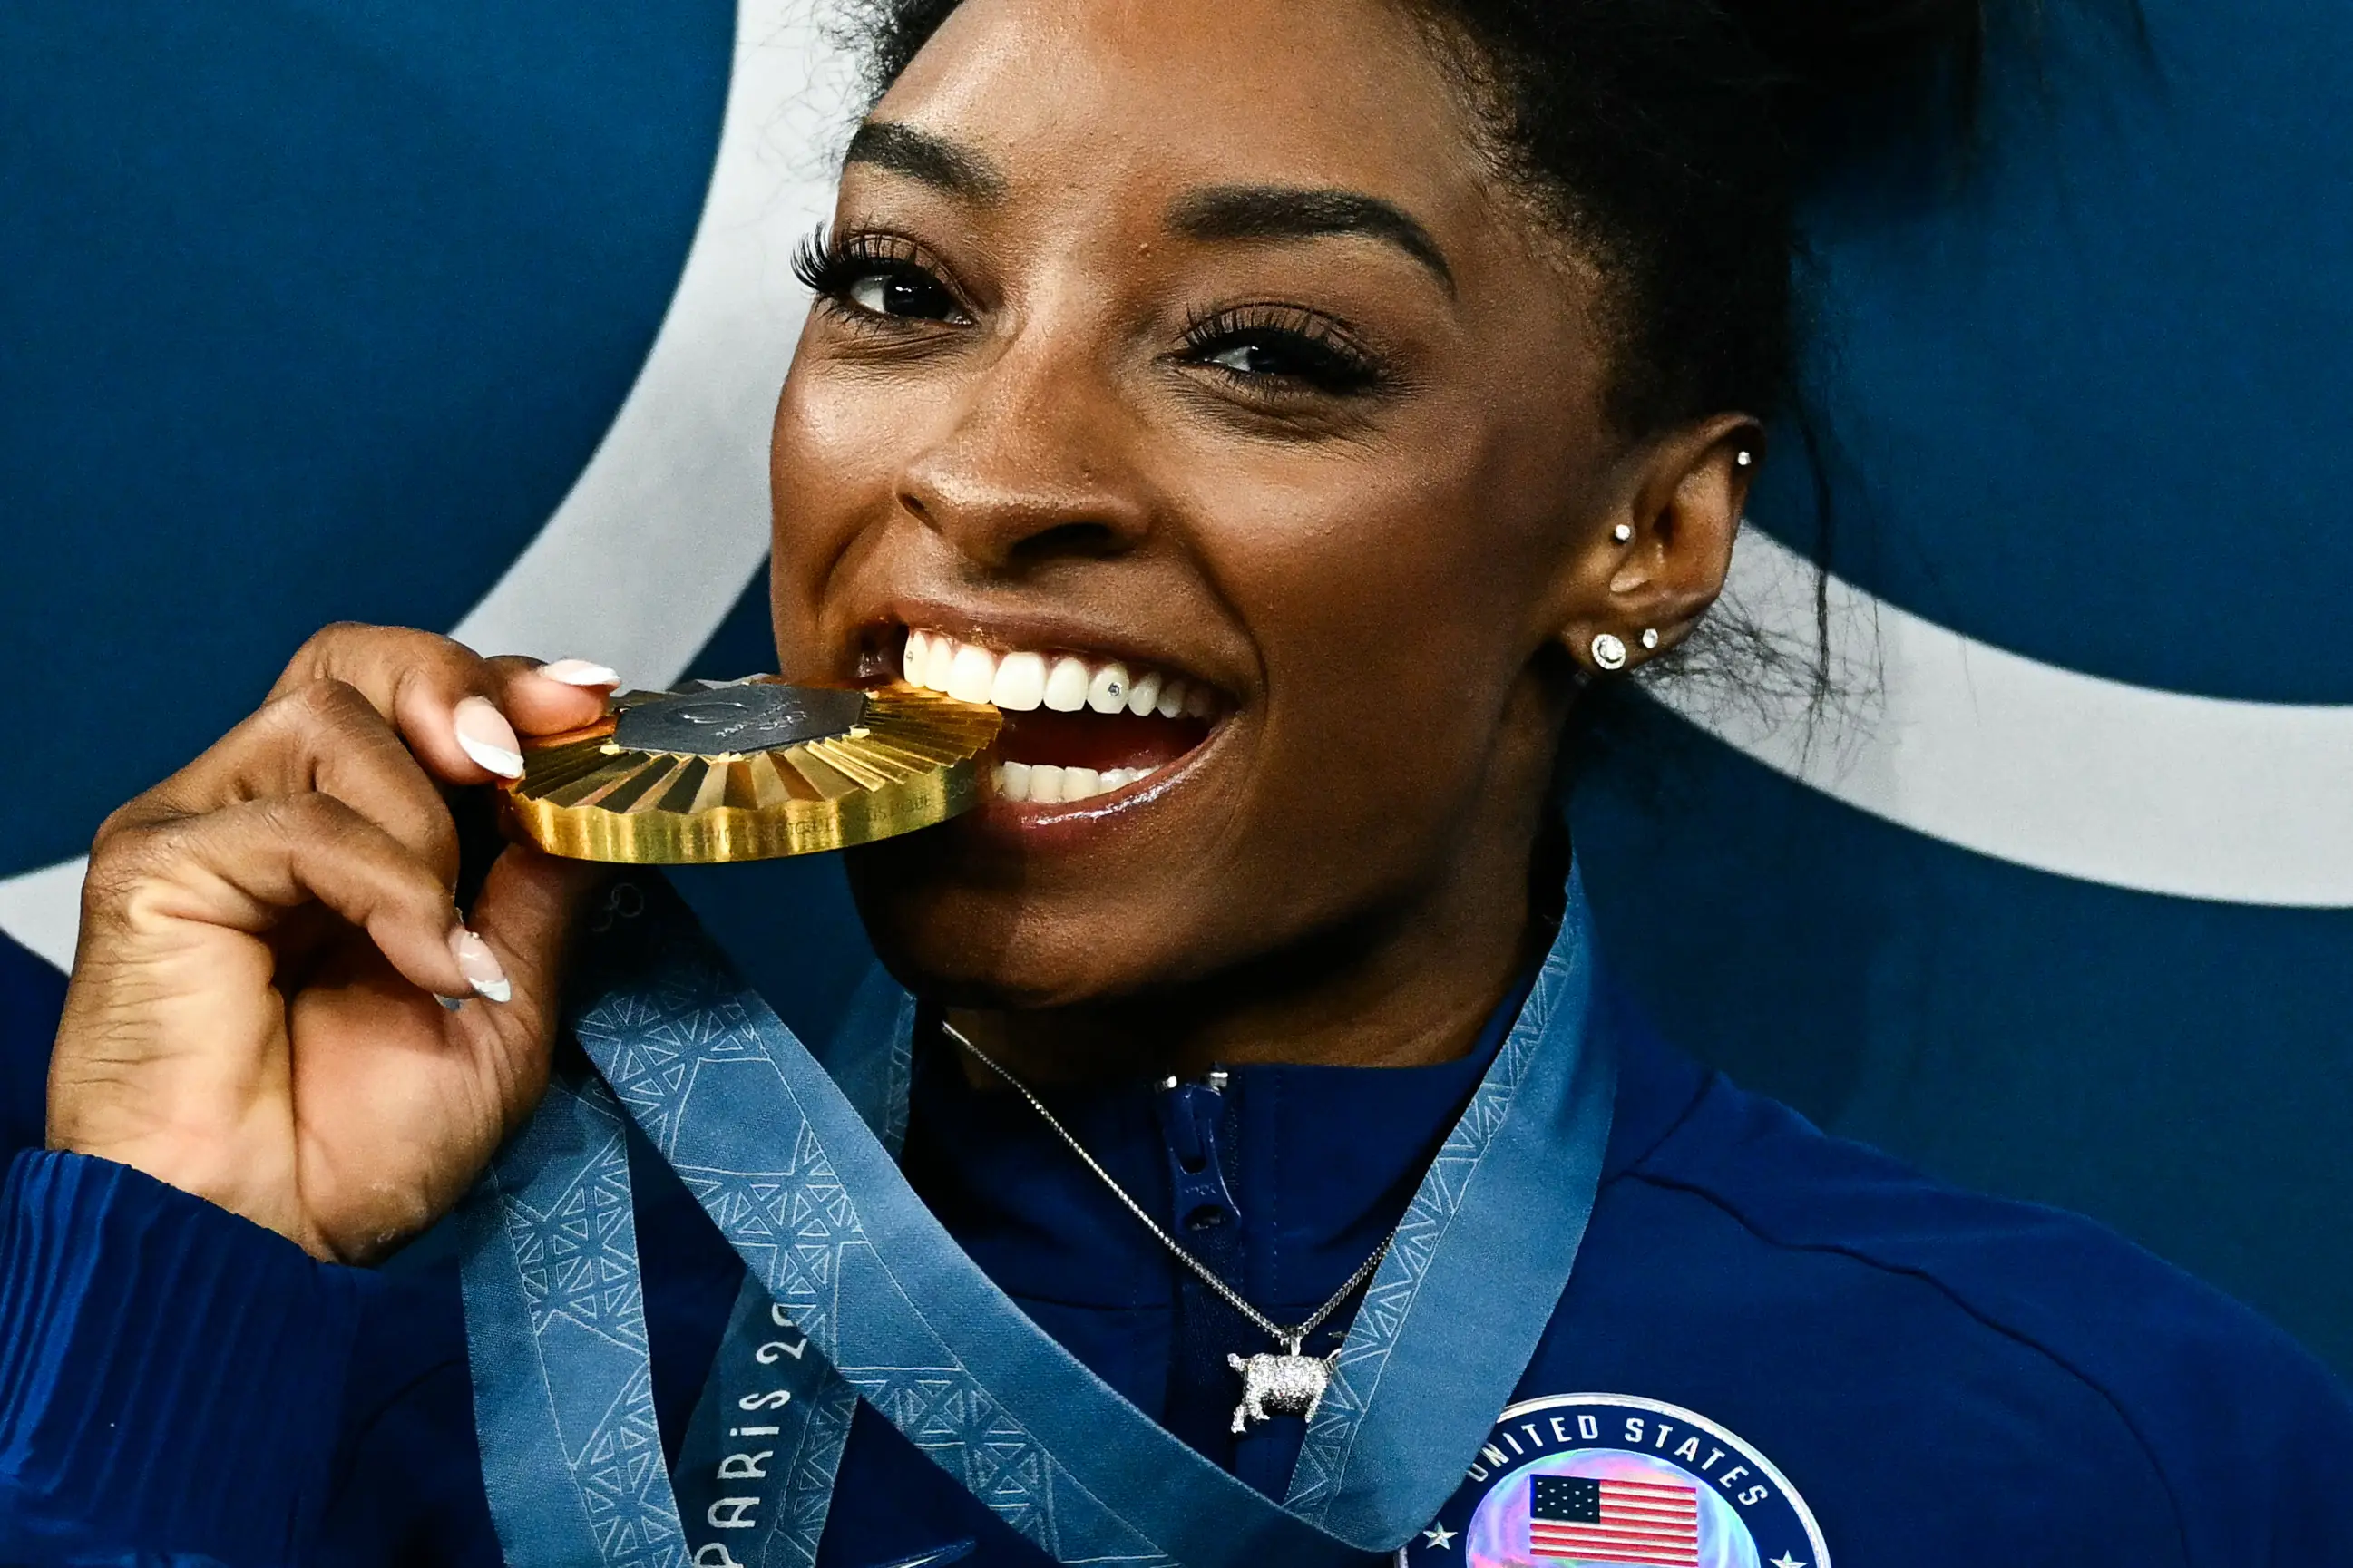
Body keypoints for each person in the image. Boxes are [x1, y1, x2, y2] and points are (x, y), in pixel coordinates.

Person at [5, 0, 2349, 1563]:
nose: (991, 477)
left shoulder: (2114, 1455)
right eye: (907, 291)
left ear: (1648, 529)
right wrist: (180, 1272)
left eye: (1261, 349)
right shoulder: (316, 1344)